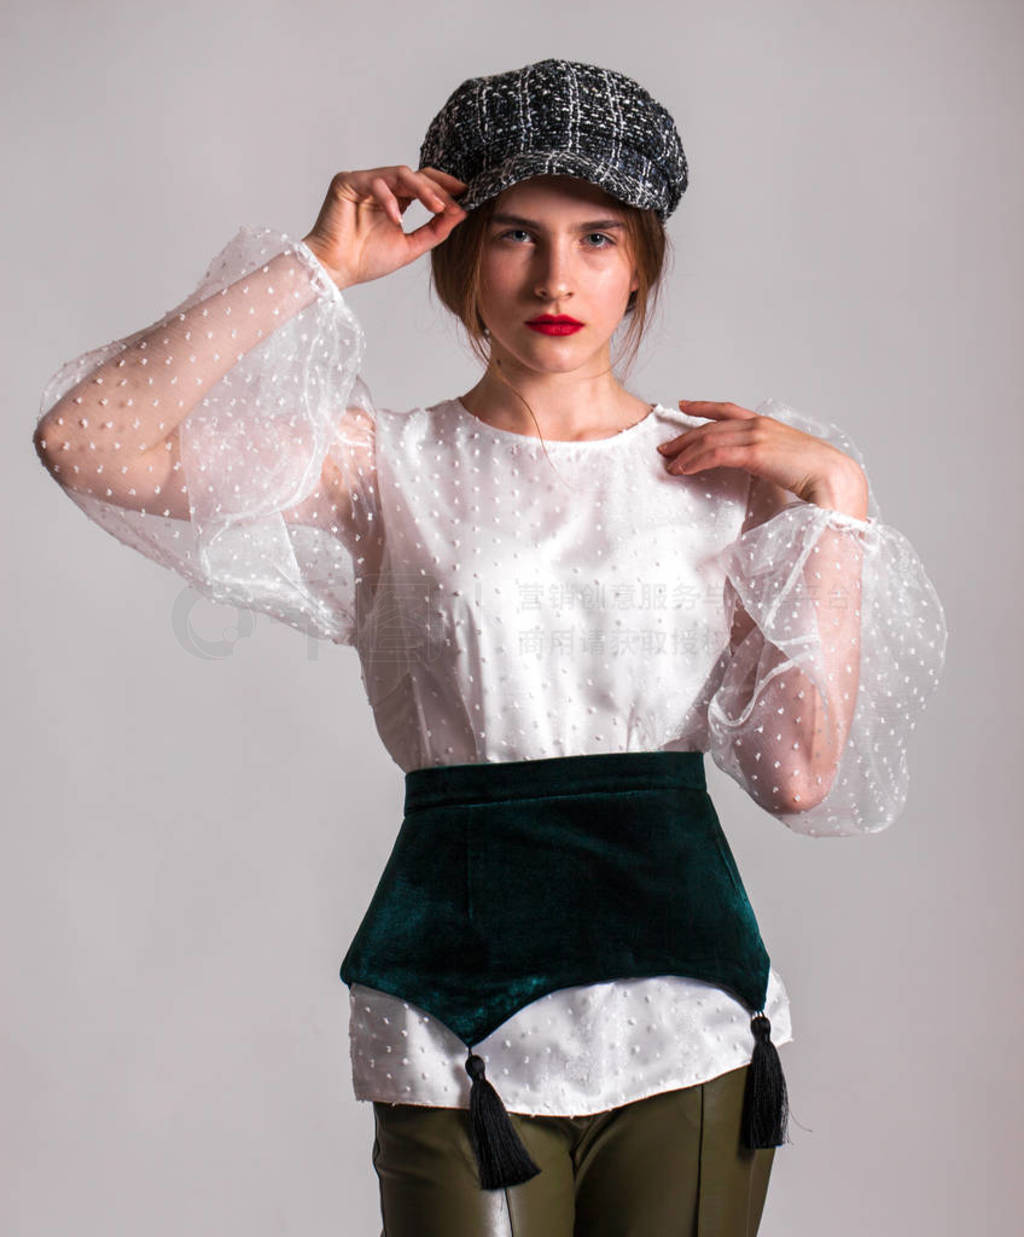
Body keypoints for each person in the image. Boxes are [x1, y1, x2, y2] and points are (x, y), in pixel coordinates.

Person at [32, 58, 947, 1237]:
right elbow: (82, 442)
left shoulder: (732, 481)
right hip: (446, 1001)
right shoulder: (384, 465)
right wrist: (317, 267)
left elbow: (798, 775)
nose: (557, 276)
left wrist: (835, 502)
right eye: (516, 234)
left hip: (686, 1007)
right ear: (460, 254)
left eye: (599, 238)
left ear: (641, 264)